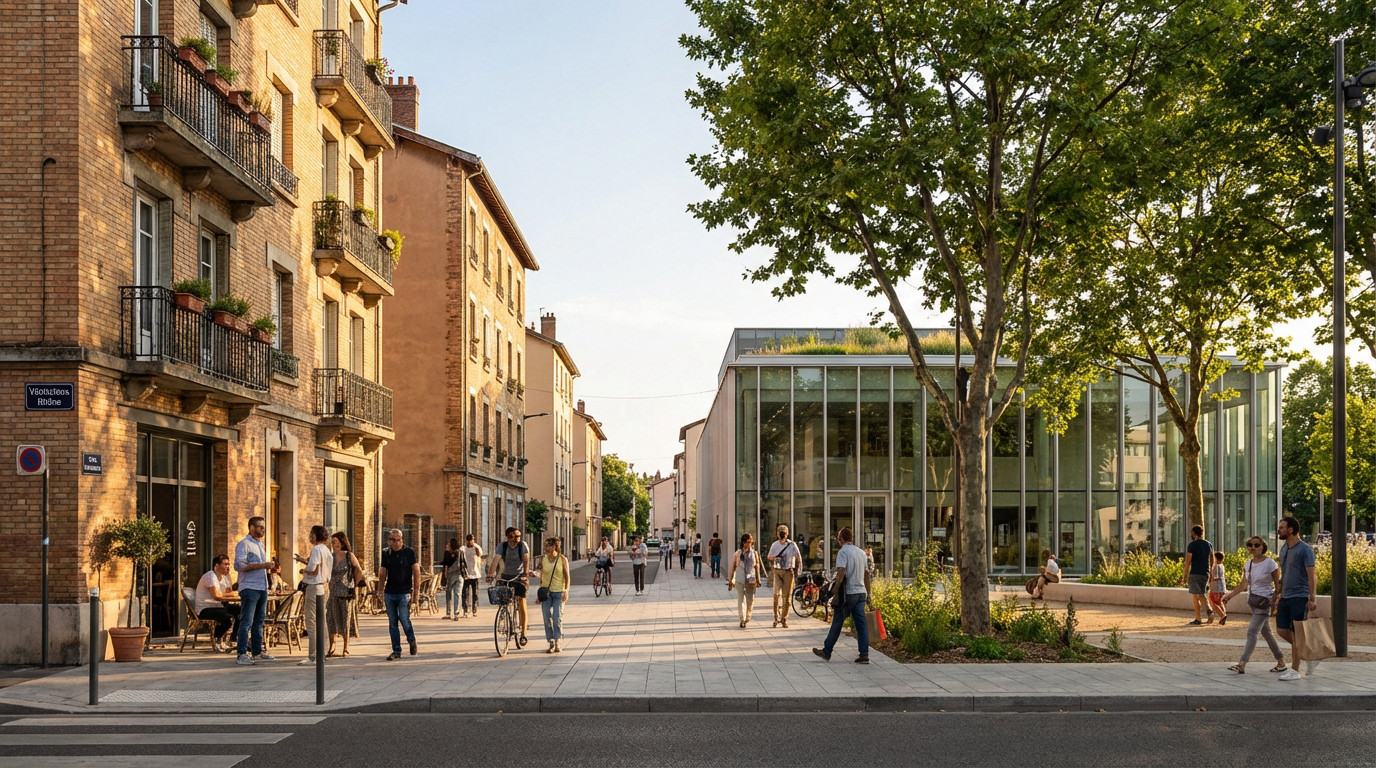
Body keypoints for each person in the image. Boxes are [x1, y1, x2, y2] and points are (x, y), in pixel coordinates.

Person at [1221, 535, 1285, 674]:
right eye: (1250, 545)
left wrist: (1276, 599)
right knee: (1267, 633)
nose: (1253, 548)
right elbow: (1244, 584)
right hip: (1253, 601)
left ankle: (1242, 663)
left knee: (1252, 632)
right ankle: (1281, 661)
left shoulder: (1270, 563)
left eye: (1257, 545)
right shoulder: (1248, 564)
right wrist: (1229, 596)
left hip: (1264, 601)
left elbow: (1277, 584)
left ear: (1263, 547)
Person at [813, 526, 872, 664]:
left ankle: (827, 651)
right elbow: (866, 575)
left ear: (841, 539)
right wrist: (869, 594)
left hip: (848, 593)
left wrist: (832, 592)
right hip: (861, 592)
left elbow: (840, 574)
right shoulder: (861, 553)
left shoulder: (843, 552)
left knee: (837, 621)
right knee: (861, 624)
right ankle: (864, 654)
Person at [1275, 516, 1319, 681]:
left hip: (1300, 597)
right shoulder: (1284, 548)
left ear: (1291, 529)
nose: (1279, 530)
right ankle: (1307, 653)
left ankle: (1294, 670)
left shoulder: (1305, 549)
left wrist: (1312, 598)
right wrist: (1277, 592)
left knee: (1296, 634)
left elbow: (1311, 576)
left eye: (1282, 527)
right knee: (1281, 630)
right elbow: (1284, 572)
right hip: (1285, 596)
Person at [233, 516, 279, 665]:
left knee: (259, 621)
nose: (262, 530)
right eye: (260, 527)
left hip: (262, 587)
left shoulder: (261, 545)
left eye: (264, 528)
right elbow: (239, 566)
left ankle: (257, 651)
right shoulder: (244, 544)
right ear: (251, 528)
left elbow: (261, 566)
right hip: (249, 587)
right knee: (246, 621)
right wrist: (263, 565)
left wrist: (271, 569)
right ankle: (241, 653)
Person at [378, 528, 420, 660]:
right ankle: (396, 650)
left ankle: (411, 639)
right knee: (392, 623)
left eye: (398, 540)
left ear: (402, 540)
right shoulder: (386, 553)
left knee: (404, 619)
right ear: (389, 540)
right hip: (390, 592)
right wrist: (380, 590)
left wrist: (416, 593)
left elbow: (416, 571)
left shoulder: (408, 552)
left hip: (404, 592)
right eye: (392, 540)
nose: (395, 543)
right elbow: (383, 572)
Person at [296, 525, 334, 665]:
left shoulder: (317, 549)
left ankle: (313, 655)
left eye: (311, 534)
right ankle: (322, 652)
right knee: (321, 620)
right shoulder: (327, 550)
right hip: (325, 586)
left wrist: (304, 571)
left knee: (311, 621)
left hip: (314, 586)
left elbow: (313, 569)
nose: (309, 537)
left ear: (316, 535)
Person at [488, 527, 531, 641]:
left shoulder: (522, 545)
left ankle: (523, 631)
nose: (515, 539)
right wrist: (490, 574)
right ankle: (503, 615)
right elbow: (495, 560)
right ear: (507, 537)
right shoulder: (503, 546)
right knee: (502, 599)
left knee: (521, 600)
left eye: (517, 536)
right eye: (512, 537)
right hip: (506, 575)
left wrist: (525, 575)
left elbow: (526, 560)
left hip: (519, 576)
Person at [326, 532, 362, 658]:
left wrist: (355, 586)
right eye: (332, 541)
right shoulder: (330, 556)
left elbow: (358, 569)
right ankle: (332, 646)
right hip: (333, 592)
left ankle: (346, 647)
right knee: (331, 619)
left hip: (346, 592)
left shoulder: (349, 555)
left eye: (335, 541)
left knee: (345, 620)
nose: (333, 543)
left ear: (342, 542)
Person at [534, 537, 571, 653]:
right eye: (545, 546)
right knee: (546, 618)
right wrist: (539, 592)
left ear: (555, 547)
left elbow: (567, 577)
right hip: (546, 592)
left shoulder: (562, 559)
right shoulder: (543, 559)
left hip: (559, 592)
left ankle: (558, 640)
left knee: (557, 618)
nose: (546, 548)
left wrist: (566, 590)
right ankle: (550, 641)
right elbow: (541, 575)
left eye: (549, 545)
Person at [195, 554, 239, 652]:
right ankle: (217, 639)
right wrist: (231, 595)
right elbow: (217, 596)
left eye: (229, 564)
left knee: (240, 611)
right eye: (225, 564)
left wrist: (231, 592)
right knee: (228, 617)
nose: (228, 567)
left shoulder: (224, 578)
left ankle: (234, 639)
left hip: (218, 605)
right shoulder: (210, 576)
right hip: (205, 608)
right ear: (216, 565)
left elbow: (227, 592)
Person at [1181, 525, 1221, 625]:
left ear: (1194, 533)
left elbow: (1188, 561)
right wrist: (1211, 573)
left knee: (1200, 594)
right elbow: (1212, 560)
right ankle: (1198, 618)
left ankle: (1209, 611)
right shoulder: (1209, 544)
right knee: (1196, 595)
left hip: (1195, 572)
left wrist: (1184, 576)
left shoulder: (1192, 545)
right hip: (1205, 573)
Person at [727, 533, 765, 628]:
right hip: (740, 580)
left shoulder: (754, 554)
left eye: (751, 542)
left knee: (750, 600)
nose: (750, 544)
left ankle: (748, 616)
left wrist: (758, 579)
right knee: (741, 600)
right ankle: (742, 619)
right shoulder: (737, 554)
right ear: (743, 543)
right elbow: (732, 568)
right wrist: (730, 580)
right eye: (748, 542)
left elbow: (757, 567)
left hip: (751, 580)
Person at [766, 525, 801, 628]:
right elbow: (769, 557)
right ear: (777, 533)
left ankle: (784, 618)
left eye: (783, 532)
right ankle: (776, 617)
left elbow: (798, 558)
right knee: (776, 595)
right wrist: (776, 558)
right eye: (780, 532)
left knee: (787, 598)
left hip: (788, 572)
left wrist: (797, 572)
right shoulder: (775, 545)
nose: (782, 534)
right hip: (777, 571)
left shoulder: (792, 545)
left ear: (787, 534)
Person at [460, 533, 483, 617]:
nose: (470, 542)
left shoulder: (476, 548)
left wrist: (475, 546)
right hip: (467, 574)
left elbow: (480, 553)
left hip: (476, 574)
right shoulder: (463, 549)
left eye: (472, 540)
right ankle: (465, 610)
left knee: (475, 593)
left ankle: (474, 609)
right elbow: (461, 558)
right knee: (465, 593)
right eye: (469, 540)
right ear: (466, 541)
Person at [440, 538, 461, 619]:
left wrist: (445, 576)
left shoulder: (447, 553)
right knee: (457, 594)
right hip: (459, 575)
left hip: (451, 575)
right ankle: (456, 613)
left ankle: (448, 613)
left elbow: (445, 565)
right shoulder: (460, 553)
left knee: (448, 593)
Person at [1208, 551, 1228, 626]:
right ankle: (1223, 615)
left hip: (1215, 587)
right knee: (1220, 602)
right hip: (1222, 587)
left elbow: (1214, 577)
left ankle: (1222, 615)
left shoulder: (1215, 566)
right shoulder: (1222, 566)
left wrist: (1209, 580)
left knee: (1213, 603)